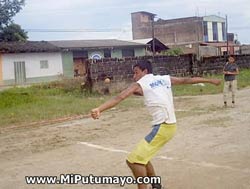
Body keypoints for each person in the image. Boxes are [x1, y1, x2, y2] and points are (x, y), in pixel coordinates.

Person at [91, 60, 221, 189]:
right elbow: (186, 80)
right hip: (169, 126)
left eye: (136, 72)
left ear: (145, 71)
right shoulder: (164, 79)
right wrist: (210, 81)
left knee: (133, 160)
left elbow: (119, 97)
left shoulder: (140, 83)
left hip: (163, 127)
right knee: (143, 157)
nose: (134, 76)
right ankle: (156, 185)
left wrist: (99, 109)